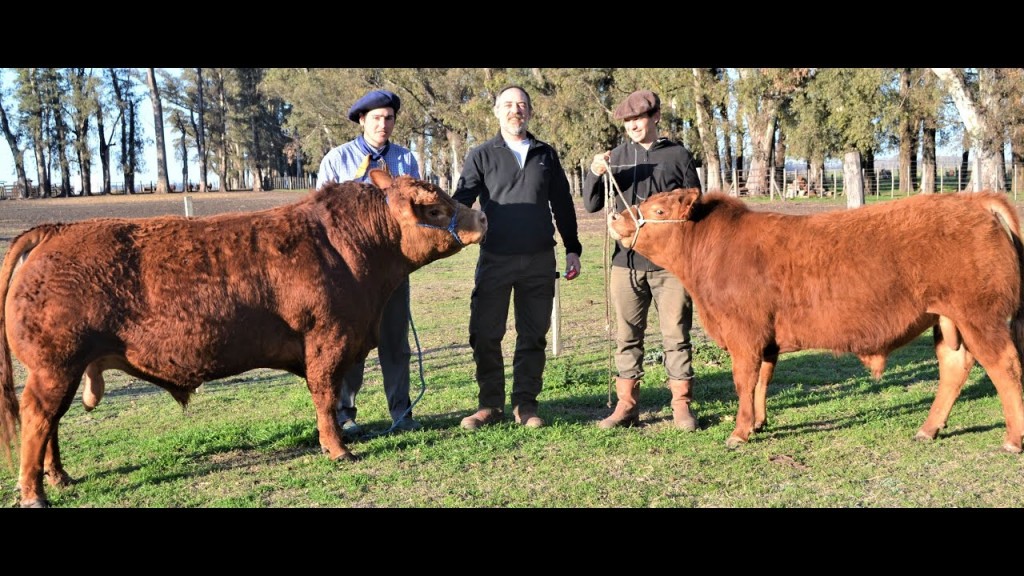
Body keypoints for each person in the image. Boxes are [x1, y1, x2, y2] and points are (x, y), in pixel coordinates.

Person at [453, 85, 583, 430]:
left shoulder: (546, 154)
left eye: (522, 105)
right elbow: (461, 201)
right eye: (509, 105)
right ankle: (489, 405)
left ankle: (526, 405)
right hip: (495, 258)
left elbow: (563, 205)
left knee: (533, 335)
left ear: (530, 112)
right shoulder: (481, 155)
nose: (516, 110)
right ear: (496, 112)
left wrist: (573, 248)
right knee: (484, 332)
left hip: (540, 260)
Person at [582, 89, 702, 431]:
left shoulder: (678, 155)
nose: (633, 125)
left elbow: (695, 204)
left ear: (655, 117)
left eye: (639, 119)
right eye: (628, 121)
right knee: (627, 336)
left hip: (670, 266)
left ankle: (681, 406)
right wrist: (595, 172)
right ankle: (626, 406)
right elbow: (591, 204)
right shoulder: (616, 155)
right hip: (626, 263)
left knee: (676, 336)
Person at [315, 89, 421, 437]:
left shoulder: (406, 161)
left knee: (395, 341)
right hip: (350, 273)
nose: (383, 124)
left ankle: (401, 413)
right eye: (376, 118)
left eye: (389, 118)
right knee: (350, 342)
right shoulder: (338, 159)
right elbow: (318, 216)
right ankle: (345, 414)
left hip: (392, 267)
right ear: (362, 120)